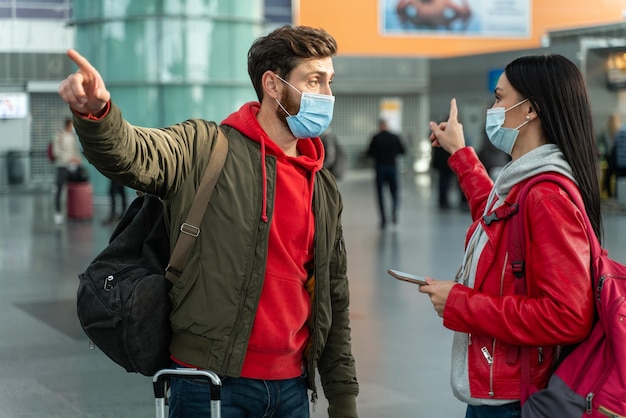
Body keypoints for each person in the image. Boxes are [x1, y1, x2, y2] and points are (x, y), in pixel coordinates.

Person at [58, 25, 358, 418]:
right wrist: (96, 114)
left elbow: (333, 296)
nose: (327, 95)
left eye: (329, 82)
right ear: (272, 85)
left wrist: (343, 396)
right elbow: (133, 154)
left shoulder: (323, 186)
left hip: (292, 390)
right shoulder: (206, 147)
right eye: (314, 81)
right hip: (208, 384)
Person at [419, 54, 599, 417]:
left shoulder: (545, 196)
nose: (494, 108)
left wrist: (460, 303)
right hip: (506, 391)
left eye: (499, 98)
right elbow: (498, 219)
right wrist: (460, 153)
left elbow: (567, 315)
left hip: (517, 401)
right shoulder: (525, 183)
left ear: (530, 109)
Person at [366, 119, 406, 228]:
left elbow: (369, 153)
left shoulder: (376, 138)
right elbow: (403, 151)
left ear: (380, 126)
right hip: (392, 167)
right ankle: (394, 211)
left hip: (380, 168)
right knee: (394, 191)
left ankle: (383, 219)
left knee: (380, 194)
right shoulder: (394, 137)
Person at [51, 117, 82, 224]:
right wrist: (68, 159)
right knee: (59, 190)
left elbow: (75, 150)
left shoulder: (73, 137)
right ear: (68, 125)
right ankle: (58, 213)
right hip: (62, 167)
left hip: (72, 167)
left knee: (74, 189)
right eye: (72, 125)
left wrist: (77, 159)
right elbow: (56, 152)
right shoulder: (59, 136)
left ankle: (74, 212)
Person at [598, 113, 620, 199]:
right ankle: (616, 195)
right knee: (616, 176)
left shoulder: (605, 130)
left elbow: (602, 144)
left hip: (608, 156)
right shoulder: (618, 130)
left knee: (608, 176)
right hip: (616, 157)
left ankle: (610, 194)